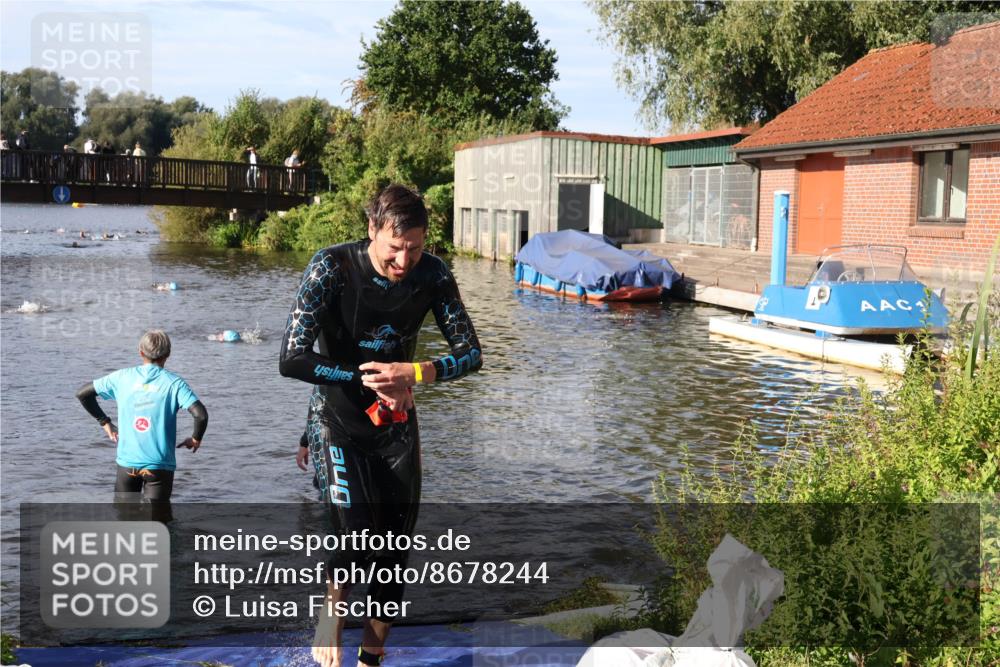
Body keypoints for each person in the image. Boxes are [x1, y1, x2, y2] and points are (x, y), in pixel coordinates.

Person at [280, 184, 482, 667]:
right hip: (335, 420)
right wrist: (365, 376)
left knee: (393, 549)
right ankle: (331, 616)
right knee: (353, 533)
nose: (404, 261)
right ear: (372, 230)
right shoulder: (332, 267)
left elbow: (471, 354)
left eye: (414, 247)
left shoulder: (433, 274)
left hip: (395, 425)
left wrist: (413, 372)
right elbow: (291, 358)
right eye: (395, 248)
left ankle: (371, 659)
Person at [76, 330, 208, 504]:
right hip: (159, 467)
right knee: (158, 525)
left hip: (127, 464)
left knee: (125, 522)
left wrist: (105, 422)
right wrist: (195, 438)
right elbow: (201, 415)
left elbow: (83, 394)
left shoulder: (121, 377)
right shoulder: (175, 384)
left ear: (140, 352)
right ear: (168, 354)